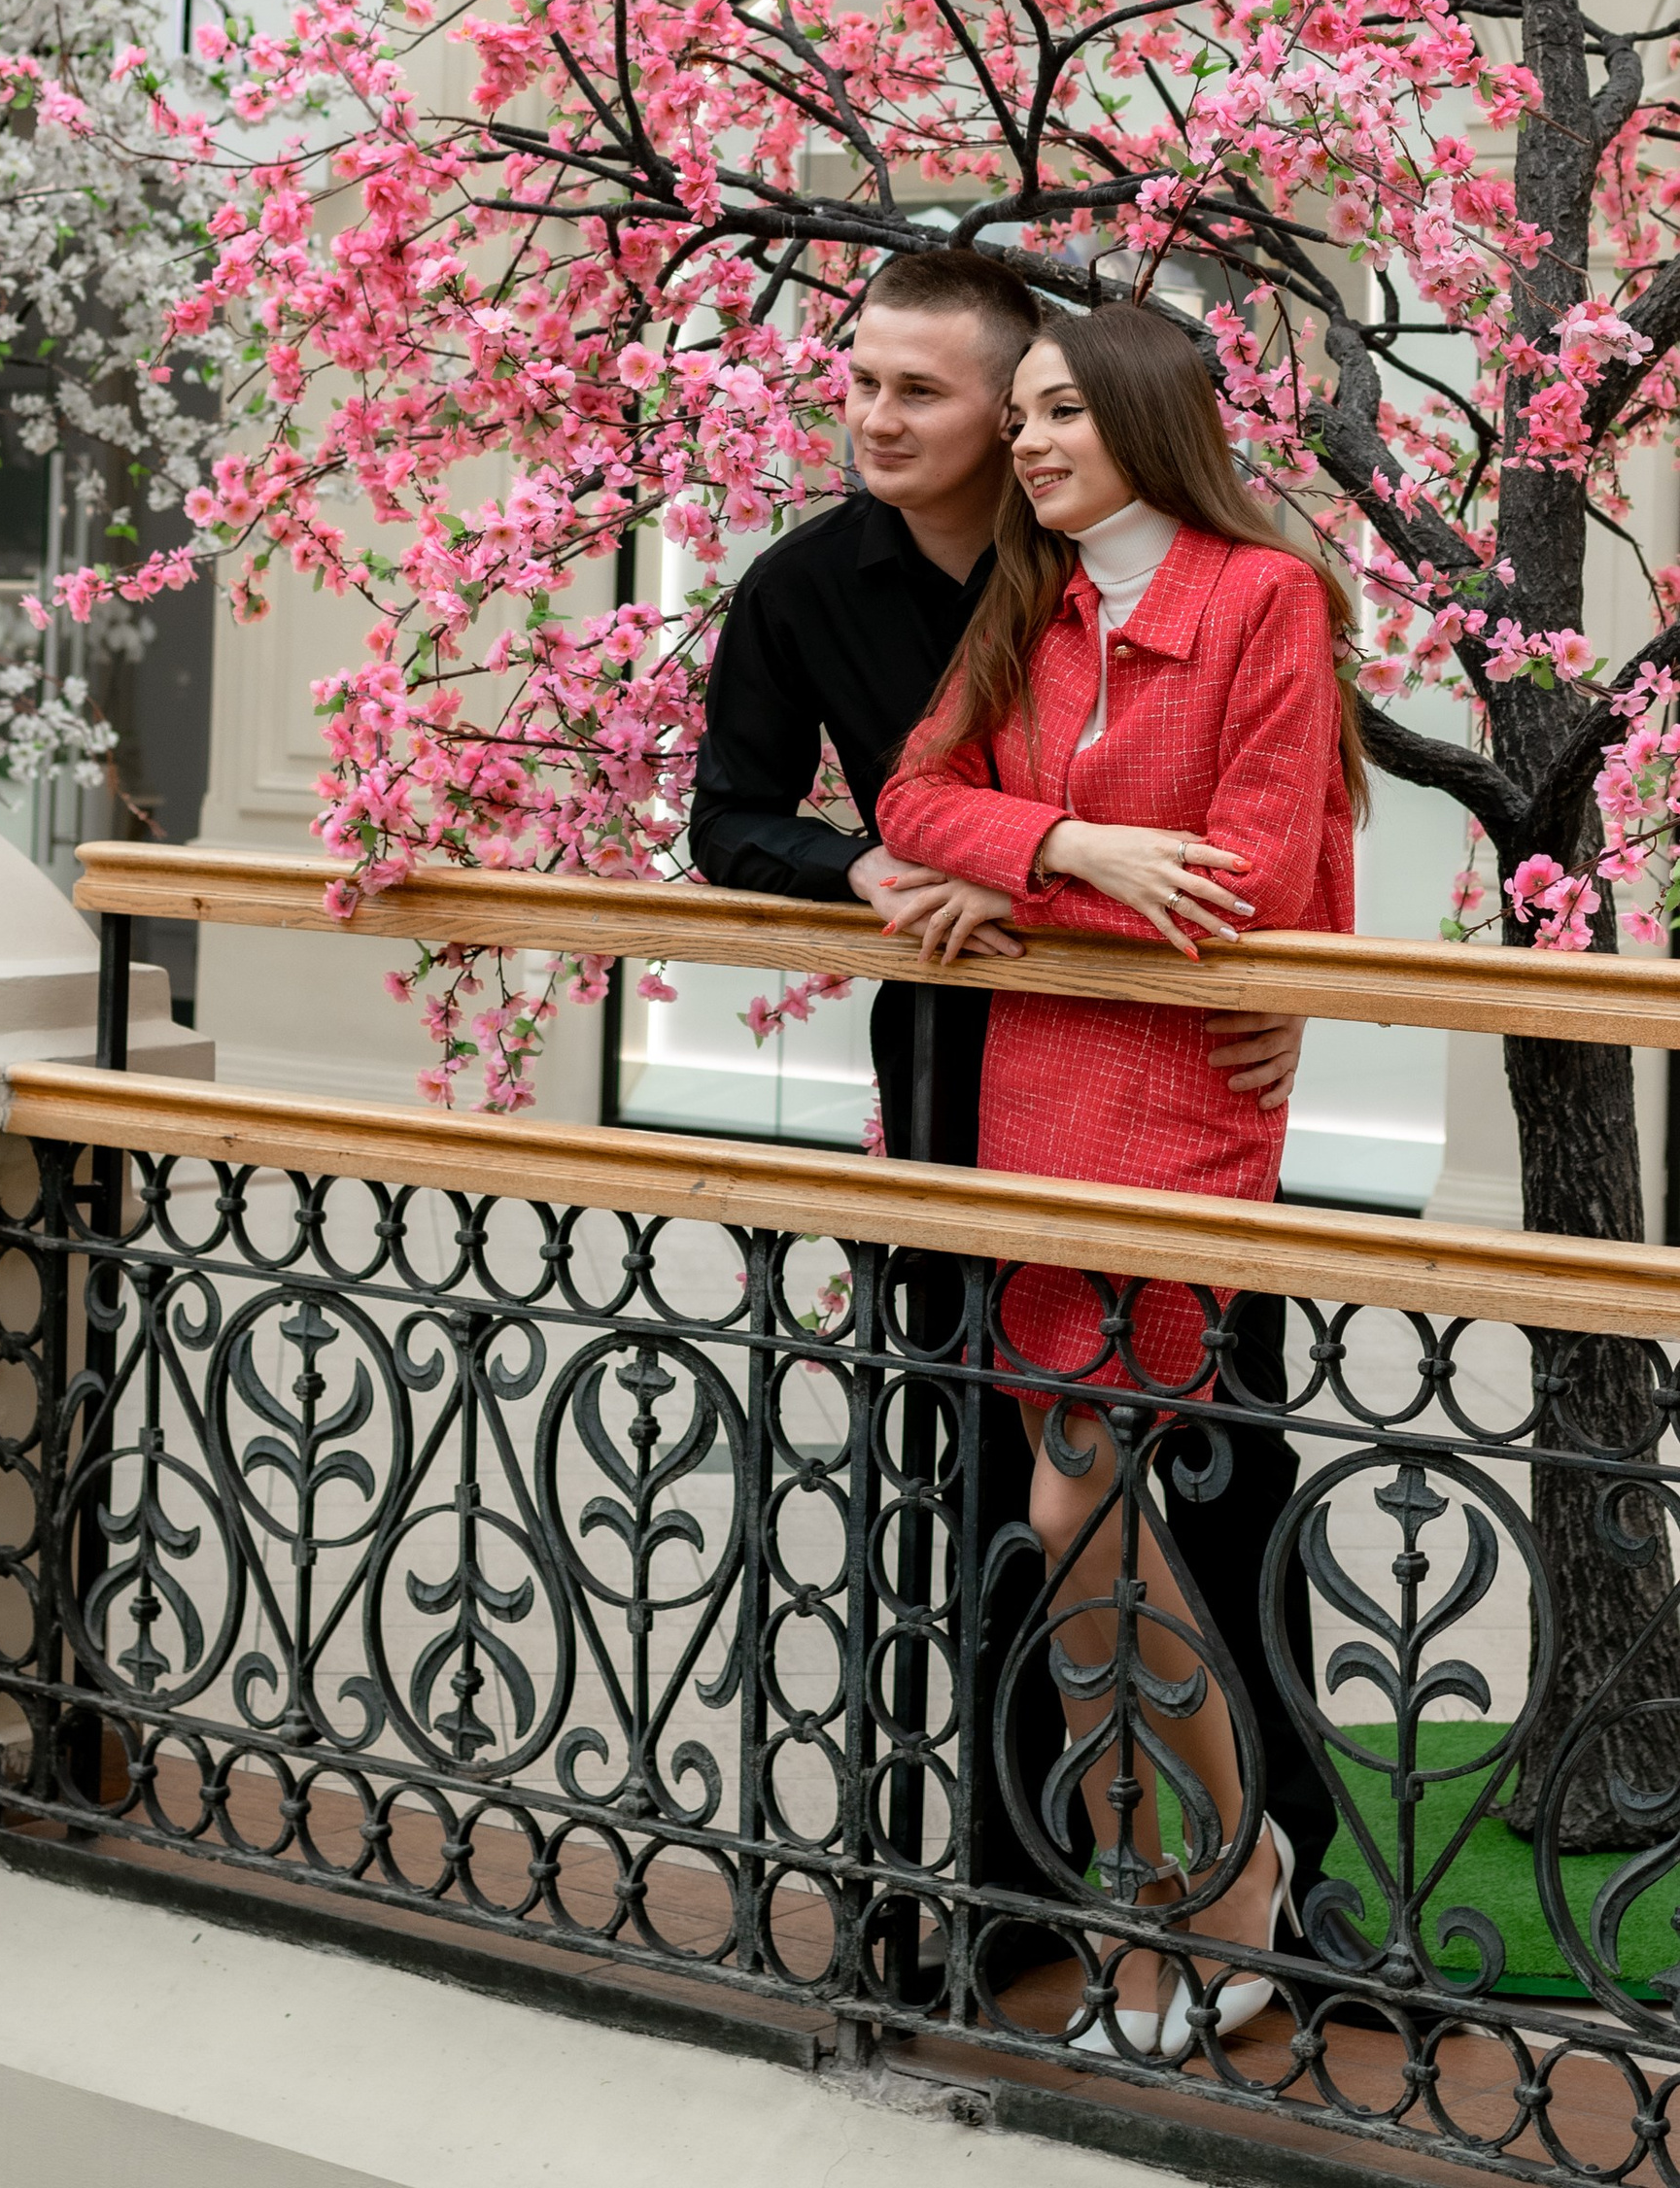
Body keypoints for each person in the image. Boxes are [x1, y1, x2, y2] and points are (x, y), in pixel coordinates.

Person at [686, 246, 1332, 1993]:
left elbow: (1264, 861)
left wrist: (1266, 957)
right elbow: (763, 815)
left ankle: (1271, 1879)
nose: (877, 418)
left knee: (1213, 1483)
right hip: (967, 1085)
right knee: (990, 1499)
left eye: (928, 392)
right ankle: (1018, 1876)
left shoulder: (1159, 586)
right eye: (861, 382)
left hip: (1170, 1081)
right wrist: (902, 861)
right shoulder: (828, 587)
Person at [877, 301, 1362, 2062]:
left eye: (1061, 411)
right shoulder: (1035, 603)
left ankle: (1204, 1888)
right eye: (1019, 416)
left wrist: (1010, 897)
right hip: (1038, 1092)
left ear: (1150, 417)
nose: (1027, 440)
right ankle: (1173, 1892)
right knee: (1080, 1516)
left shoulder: (1263, 600)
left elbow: (1235, 879)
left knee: (1089, 1509)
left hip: (1183, 1098)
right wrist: (1060, 845)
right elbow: (914, 795)